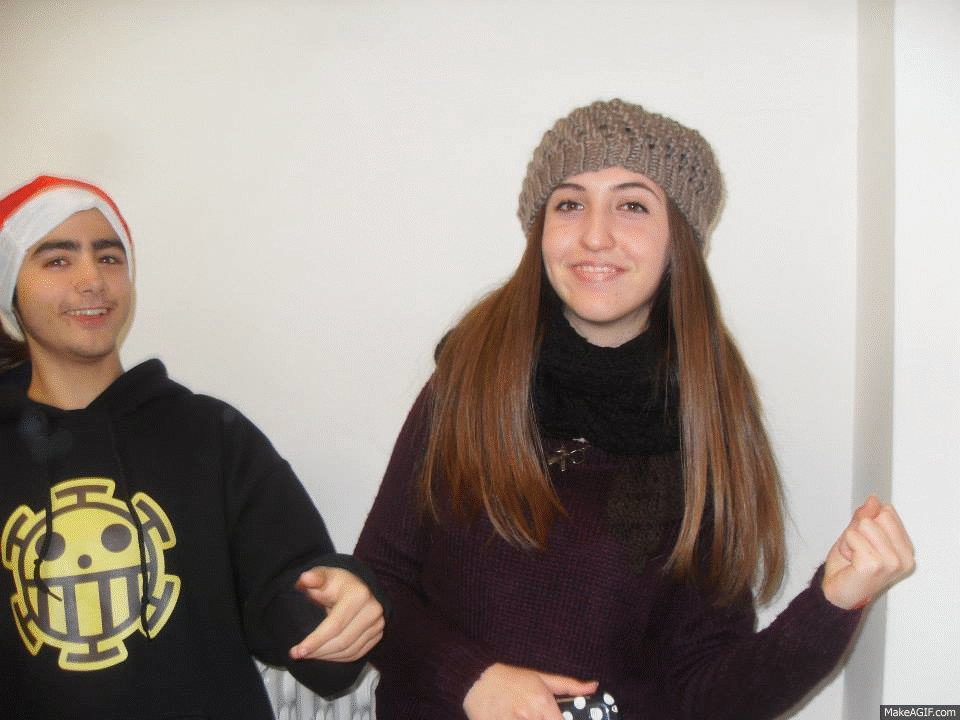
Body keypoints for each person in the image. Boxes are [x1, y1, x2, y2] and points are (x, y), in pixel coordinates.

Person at [354, 99, 915, 720]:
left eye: (632, 205)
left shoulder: (708, 415)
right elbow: (378, 584)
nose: (595, 235)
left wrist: (832, 603)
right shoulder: (470, 378)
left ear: (680, 239)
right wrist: (472, 681)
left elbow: (708, 692)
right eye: (570, 204)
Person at [0, 175, 386, 719]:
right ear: (11, 289)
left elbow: (299, 602)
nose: (92, 280)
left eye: (109, 258)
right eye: (57, 260)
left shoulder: (211, 436)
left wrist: (344, 601)